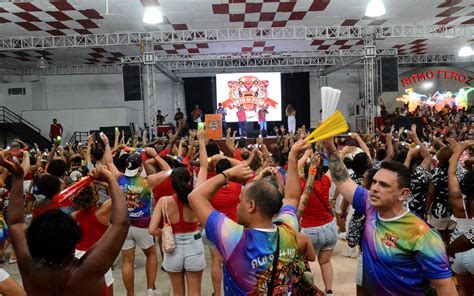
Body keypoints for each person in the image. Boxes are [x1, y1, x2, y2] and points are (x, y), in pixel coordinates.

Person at [322, 138, 457, 295]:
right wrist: (330, 148)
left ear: (403, 194)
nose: (374, 189)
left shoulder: (423, 234)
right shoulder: (370, 205)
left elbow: (444, 286)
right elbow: (343, 180)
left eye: (384, 185)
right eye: (374, 182)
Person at [0, 151, 130, 295]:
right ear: (75, 241)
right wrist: (111, 179)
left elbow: (15, 223)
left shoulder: (29, 266)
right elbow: (121, 223)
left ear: (33, 243)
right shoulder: (89, 269)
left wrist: (17, 180)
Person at [188, 139, 309, 294]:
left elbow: (195, 197)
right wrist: (292, 157)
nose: (237, 207)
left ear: (251, 206)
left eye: (240, 201)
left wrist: (227, 175)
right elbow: (292, 197)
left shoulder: (234, 239)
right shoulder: (288, 230)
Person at [101, 135, 165, 296]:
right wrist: (155, 155)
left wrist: (107, 143)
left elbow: (109, 161)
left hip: (124, 225)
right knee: (151, 254)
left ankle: (130, 294)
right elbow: (168, 171)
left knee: (127, 261)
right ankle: (151, 289)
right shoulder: (146, 182)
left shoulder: (117, 178)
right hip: (143, 225)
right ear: (140, 168)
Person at [148, 128, 208, 296]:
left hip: (172, 248)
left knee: (177, 293)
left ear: (172, 184)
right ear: (188, 180)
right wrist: (201, 142)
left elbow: (152, 230)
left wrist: (164, 232)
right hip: (194, 247)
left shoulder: (164, 202)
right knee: (195, 292)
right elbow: (204, 166)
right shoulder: (195, 197)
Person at [297, 153, 335, 295]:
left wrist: (307, 154)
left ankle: (308, 292)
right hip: (330, 228)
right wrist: (338, 153)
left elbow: (294, 168)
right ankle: (329, 292)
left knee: (304, 264)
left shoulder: (301, 184)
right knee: (325, 262)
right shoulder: (325, 181)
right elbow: (333, 166)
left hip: (310, 231)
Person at [71, 185, 114, 295]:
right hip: (98, 255)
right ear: (95, 196)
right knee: (107, 287)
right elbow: (120, 192)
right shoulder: (103, 211)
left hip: (77, 255)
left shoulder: (74, 215)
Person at [447, 139, 473, 296]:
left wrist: (460, 149)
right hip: (472, 246)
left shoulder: (458, 199)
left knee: (463, 289)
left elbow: (451, 172)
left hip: (456, 248)